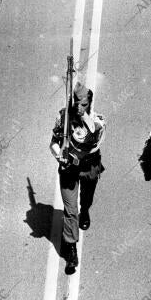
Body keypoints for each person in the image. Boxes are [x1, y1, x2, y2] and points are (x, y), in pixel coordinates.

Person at [50, 82, 106, 272]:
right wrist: (58, 154)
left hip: (89, 166)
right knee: (70, 211)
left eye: (83, 104)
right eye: (76, 103)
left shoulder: (98, 121)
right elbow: (53, 142)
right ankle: (71, 250)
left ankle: (86, 210)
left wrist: (82, 116)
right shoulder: (63, 116)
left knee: (86, 199)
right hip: (69, 169)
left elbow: (91, 131)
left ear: (89, 104)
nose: (79, 107)